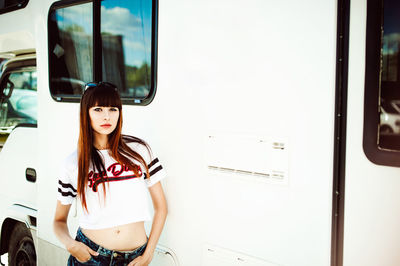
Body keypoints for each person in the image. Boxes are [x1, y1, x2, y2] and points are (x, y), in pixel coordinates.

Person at [53, 82, 168, 266]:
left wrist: (148, 254)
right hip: (92, 257)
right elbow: (58, 221)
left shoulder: (139, 150)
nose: (107, 116)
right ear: (86, 113)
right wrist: (71, 245)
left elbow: (161, 207)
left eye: (113, 109)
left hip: (136, 258)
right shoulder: (74, 163)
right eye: (98, 109)